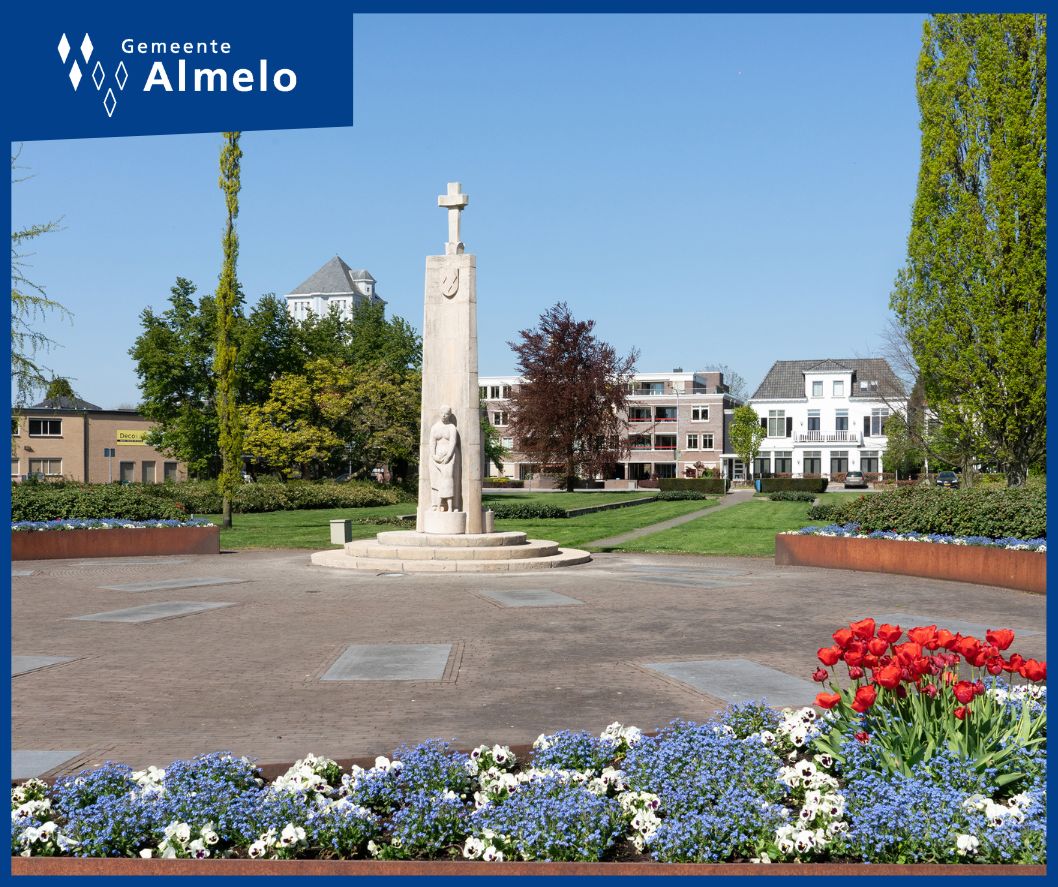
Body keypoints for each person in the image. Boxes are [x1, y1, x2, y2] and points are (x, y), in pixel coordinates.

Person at [429, 405, 459, 511]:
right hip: (436, 457)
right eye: (442, 413)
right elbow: (432, 443)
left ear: (449, 415)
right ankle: (435, 505)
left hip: (449, 457)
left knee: (449, 480)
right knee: (435, 480)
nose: (444, 415)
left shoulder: (451, 427)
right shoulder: (435, 427)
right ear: (439, 413)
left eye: (446, 414)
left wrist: (449, 456)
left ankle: (453, 505)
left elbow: (453, 442)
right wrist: (434, 456)